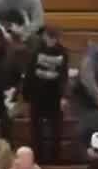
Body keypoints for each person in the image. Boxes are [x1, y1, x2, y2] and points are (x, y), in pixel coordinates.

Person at [24, 27, 70, 162]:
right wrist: (27, 96)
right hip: (37, 95)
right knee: (36, 130)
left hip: (54, 96)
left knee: (56, 130)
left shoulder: (62, 52)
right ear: (44, 37)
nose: (51, 41)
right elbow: (29, 74)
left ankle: (55, 159)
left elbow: (63, 76)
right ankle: (38, 158)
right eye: (49, 38)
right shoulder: (36, 51)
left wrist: (64, 96)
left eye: (53, 38)